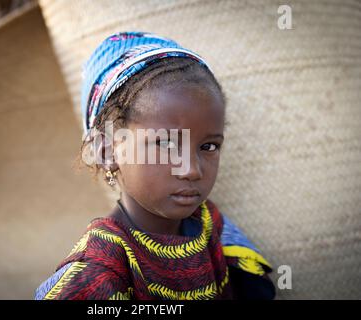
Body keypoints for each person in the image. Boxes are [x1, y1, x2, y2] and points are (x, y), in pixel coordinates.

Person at [35, 31, 275, 300]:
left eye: (208, 146)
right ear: (106, 151)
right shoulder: (98, 269)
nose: (192, 170)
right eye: (167, 144)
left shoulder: (211, 225)